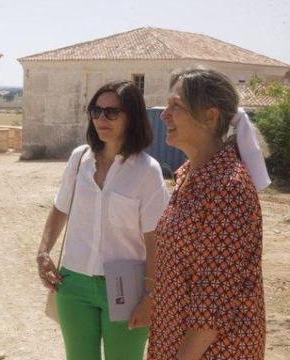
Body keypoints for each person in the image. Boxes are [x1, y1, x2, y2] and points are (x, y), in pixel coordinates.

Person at [36, 81, 170, 360]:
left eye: (111, 112)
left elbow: (156, 240)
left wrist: (151, 295)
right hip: (73, 284)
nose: (101, 119)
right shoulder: (78, 159)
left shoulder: (147, 171)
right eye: (95, 111)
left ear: (131, 116)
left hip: (128, 288)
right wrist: (43, 251)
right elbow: (60, 208)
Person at [148, 67, 268, 360]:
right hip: (176, 340)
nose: (165, 115)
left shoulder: (228, 188)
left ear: (210, 116)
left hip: (213, 351)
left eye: (176, 106)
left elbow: (213, 300)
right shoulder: (190, 176)